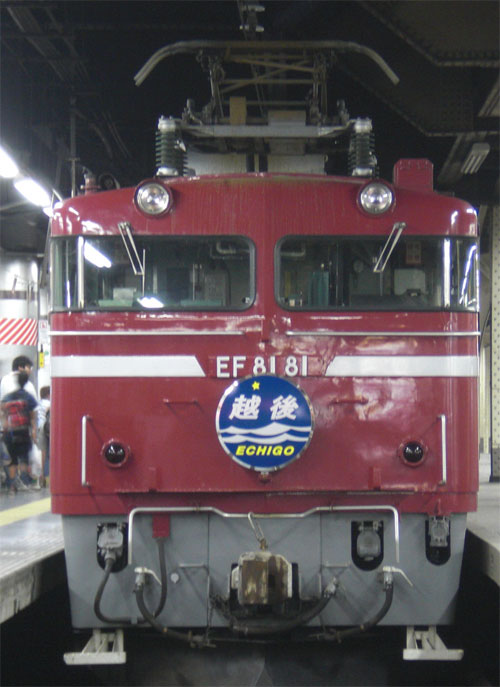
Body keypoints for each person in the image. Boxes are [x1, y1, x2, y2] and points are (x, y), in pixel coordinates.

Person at [1, 371, 38, 493]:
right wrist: (34, 432)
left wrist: (5, 424)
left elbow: (2, 411)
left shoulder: (8, 397)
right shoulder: (28, 397)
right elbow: (32, 417)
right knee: (24, 458)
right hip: (23, 431)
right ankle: (24, 483)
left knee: (13, 460)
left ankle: (12, 485)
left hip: (10, 432)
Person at [37, 386, 50, 488]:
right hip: (47, 427)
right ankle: (49, 475)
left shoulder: (38, 403)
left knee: (43, 453)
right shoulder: (49, 403)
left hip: (39, 428)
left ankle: (42, 476)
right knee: (50, 452)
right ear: (48, 395)